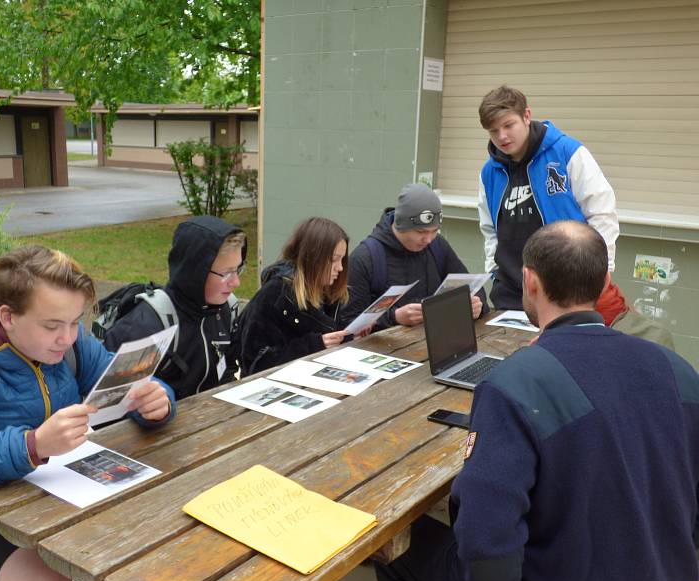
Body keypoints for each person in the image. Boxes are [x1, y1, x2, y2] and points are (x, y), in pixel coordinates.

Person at [375, 221, 699, 581]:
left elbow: (485, 543)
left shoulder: (513, 385)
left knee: (398, 545)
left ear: (529, 281)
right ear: (601, 281)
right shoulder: (678, 371)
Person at [0, 246, 175, 581]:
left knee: (152, 530)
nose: (69, 337)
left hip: (50, 490)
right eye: (52, 326)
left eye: (76, 322)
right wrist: (31, 445)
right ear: (8, 316)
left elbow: (118, 380)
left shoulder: (69, 346)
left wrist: (155, 399)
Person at [477, 85, 619, 310]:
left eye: (508, 125)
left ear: (526, 116)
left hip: (567, 288)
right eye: (494, 131)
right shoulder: (489, 173)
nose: (502, 136)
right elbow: (489, 229)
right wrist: (493, 271)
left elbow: (601, 213)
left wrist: (603, 268)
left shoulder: (568, 152)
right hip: (512, 291)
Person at [104, 216, 246, 400]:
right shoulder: (146, 325)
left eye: (238, 269)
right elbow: (110, 402)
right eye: (226, 273)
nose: (236, 282)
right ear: (195, 271)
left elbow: (227, 369)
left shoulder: (225, 310)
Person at [342, 183, 486, 330]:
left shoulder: (437, 247)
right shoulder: (365, 259)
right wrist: (394, 317)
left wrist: (475, 305)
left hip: (433, 342)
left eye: (435, 230)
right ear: (401, 225)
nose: (428, 239)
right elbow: (348, 323)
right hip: (385, 348)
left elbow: (472, 287)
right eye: (421, 232)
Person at [238, 217, 351, 376]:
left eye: (342, 260)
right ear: (313, 257)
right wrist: (313, 345)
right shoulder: (275, 295)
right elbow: (256, 363)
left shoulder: (329, 293)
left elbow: (335, 334)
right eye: (334, 260)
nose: (340, 268)